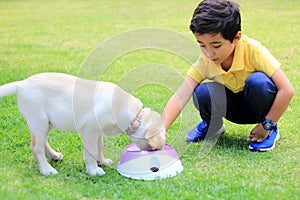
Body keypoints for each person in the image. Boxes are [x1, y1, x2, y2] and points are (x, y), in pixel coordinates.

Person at [162, 0, 294, 151]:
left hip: (258, 108)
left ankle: (270, 130)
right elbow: (181, 94)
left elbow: (287, 90)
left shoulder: (254, 51)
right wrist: (161, 130)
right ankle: (213, 126)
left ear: (236, 38)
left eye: (216, 46)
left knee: (259, 82)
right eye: (202, 45)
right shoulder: (206, 61)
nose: (209, 53)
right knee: (202, 92)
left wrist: (267, 124)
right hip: (231, 108)